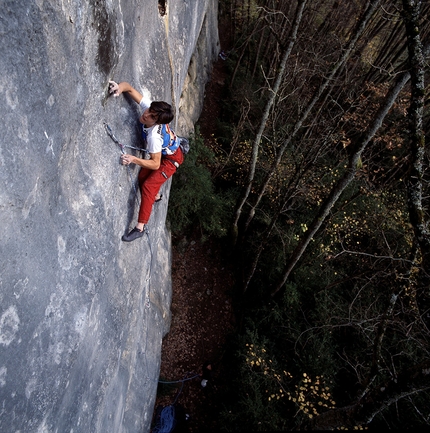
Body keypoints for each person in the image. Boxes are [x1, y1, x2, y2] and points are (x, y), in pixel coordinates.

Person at [108, 80, 184, 242]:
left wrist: (134, 159)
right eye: (150, 110)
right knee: (143, 177)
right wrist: (119, 89)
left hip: (170, 161)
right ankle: (155, 197)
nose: (146, 114)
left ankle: (140, 227)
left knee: (148, 185)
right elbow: (129, 87)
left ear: (157, 122)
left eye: (152, 116)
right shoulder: (151, 110)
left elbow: (156, 164)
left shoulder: (154, 137)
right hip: (165, 154)